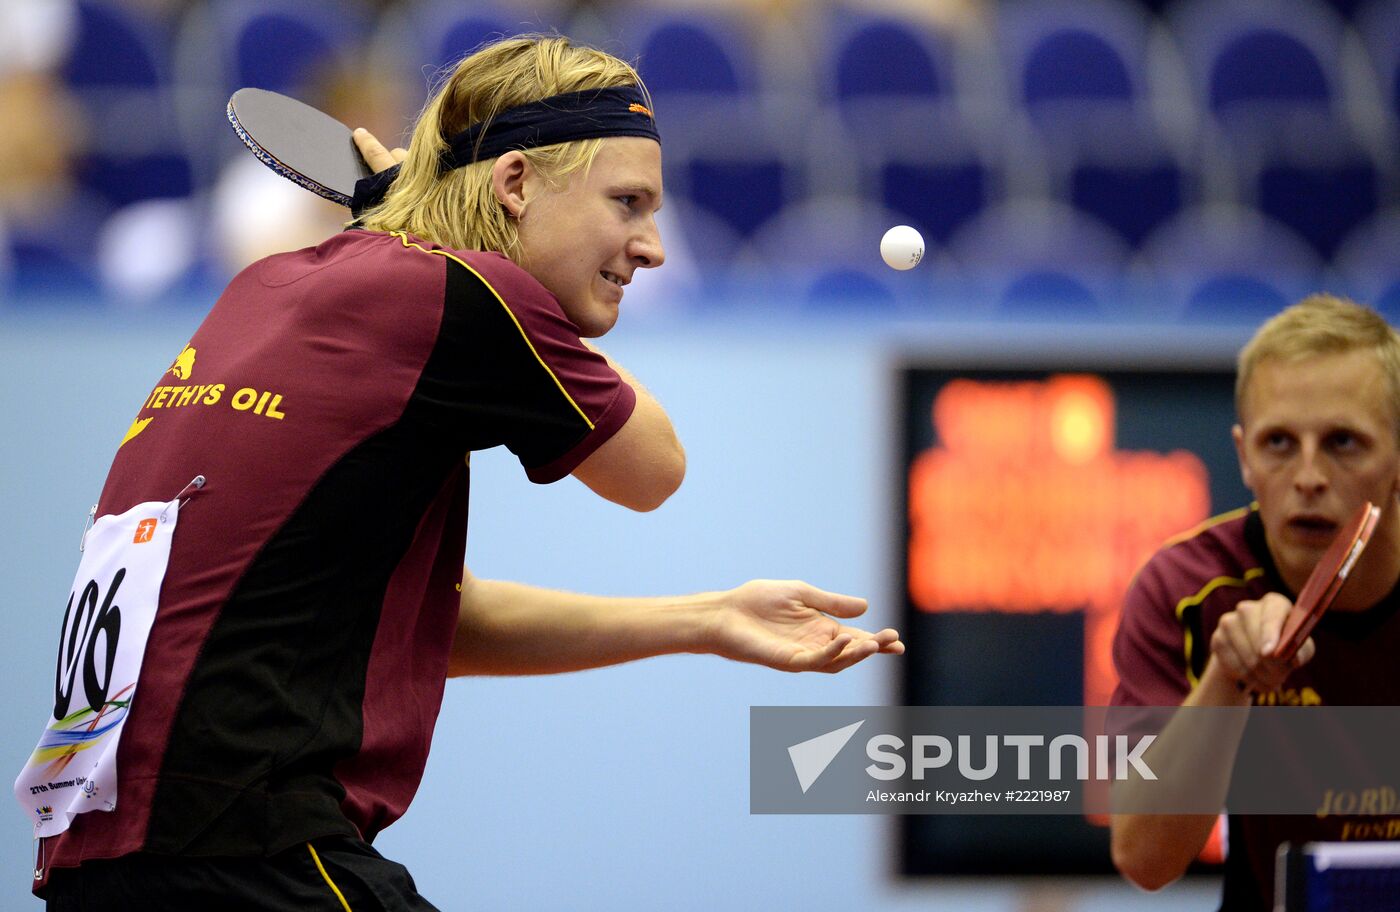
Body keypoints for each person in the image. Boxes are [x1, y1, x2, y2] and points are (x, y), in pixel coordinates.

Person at [26, 35, 902, 909]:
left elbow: (436, 620)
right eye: (628, 203)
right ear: (515, 184)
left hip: (103, 858)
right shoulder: (458, 290)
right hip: (255, 849)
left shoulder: (265, 290)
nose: (653, 247)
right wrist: (455, 243)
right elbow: (653, 469)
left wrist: (708, 618)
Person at [1109, 293, 1400, 910]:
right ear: (1243, 455)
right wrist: (1229, 677)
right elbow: (1144, 858)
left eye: (1344, 442)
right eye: (1278, 443)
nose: (1309, 475)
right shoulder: (1185, 588)